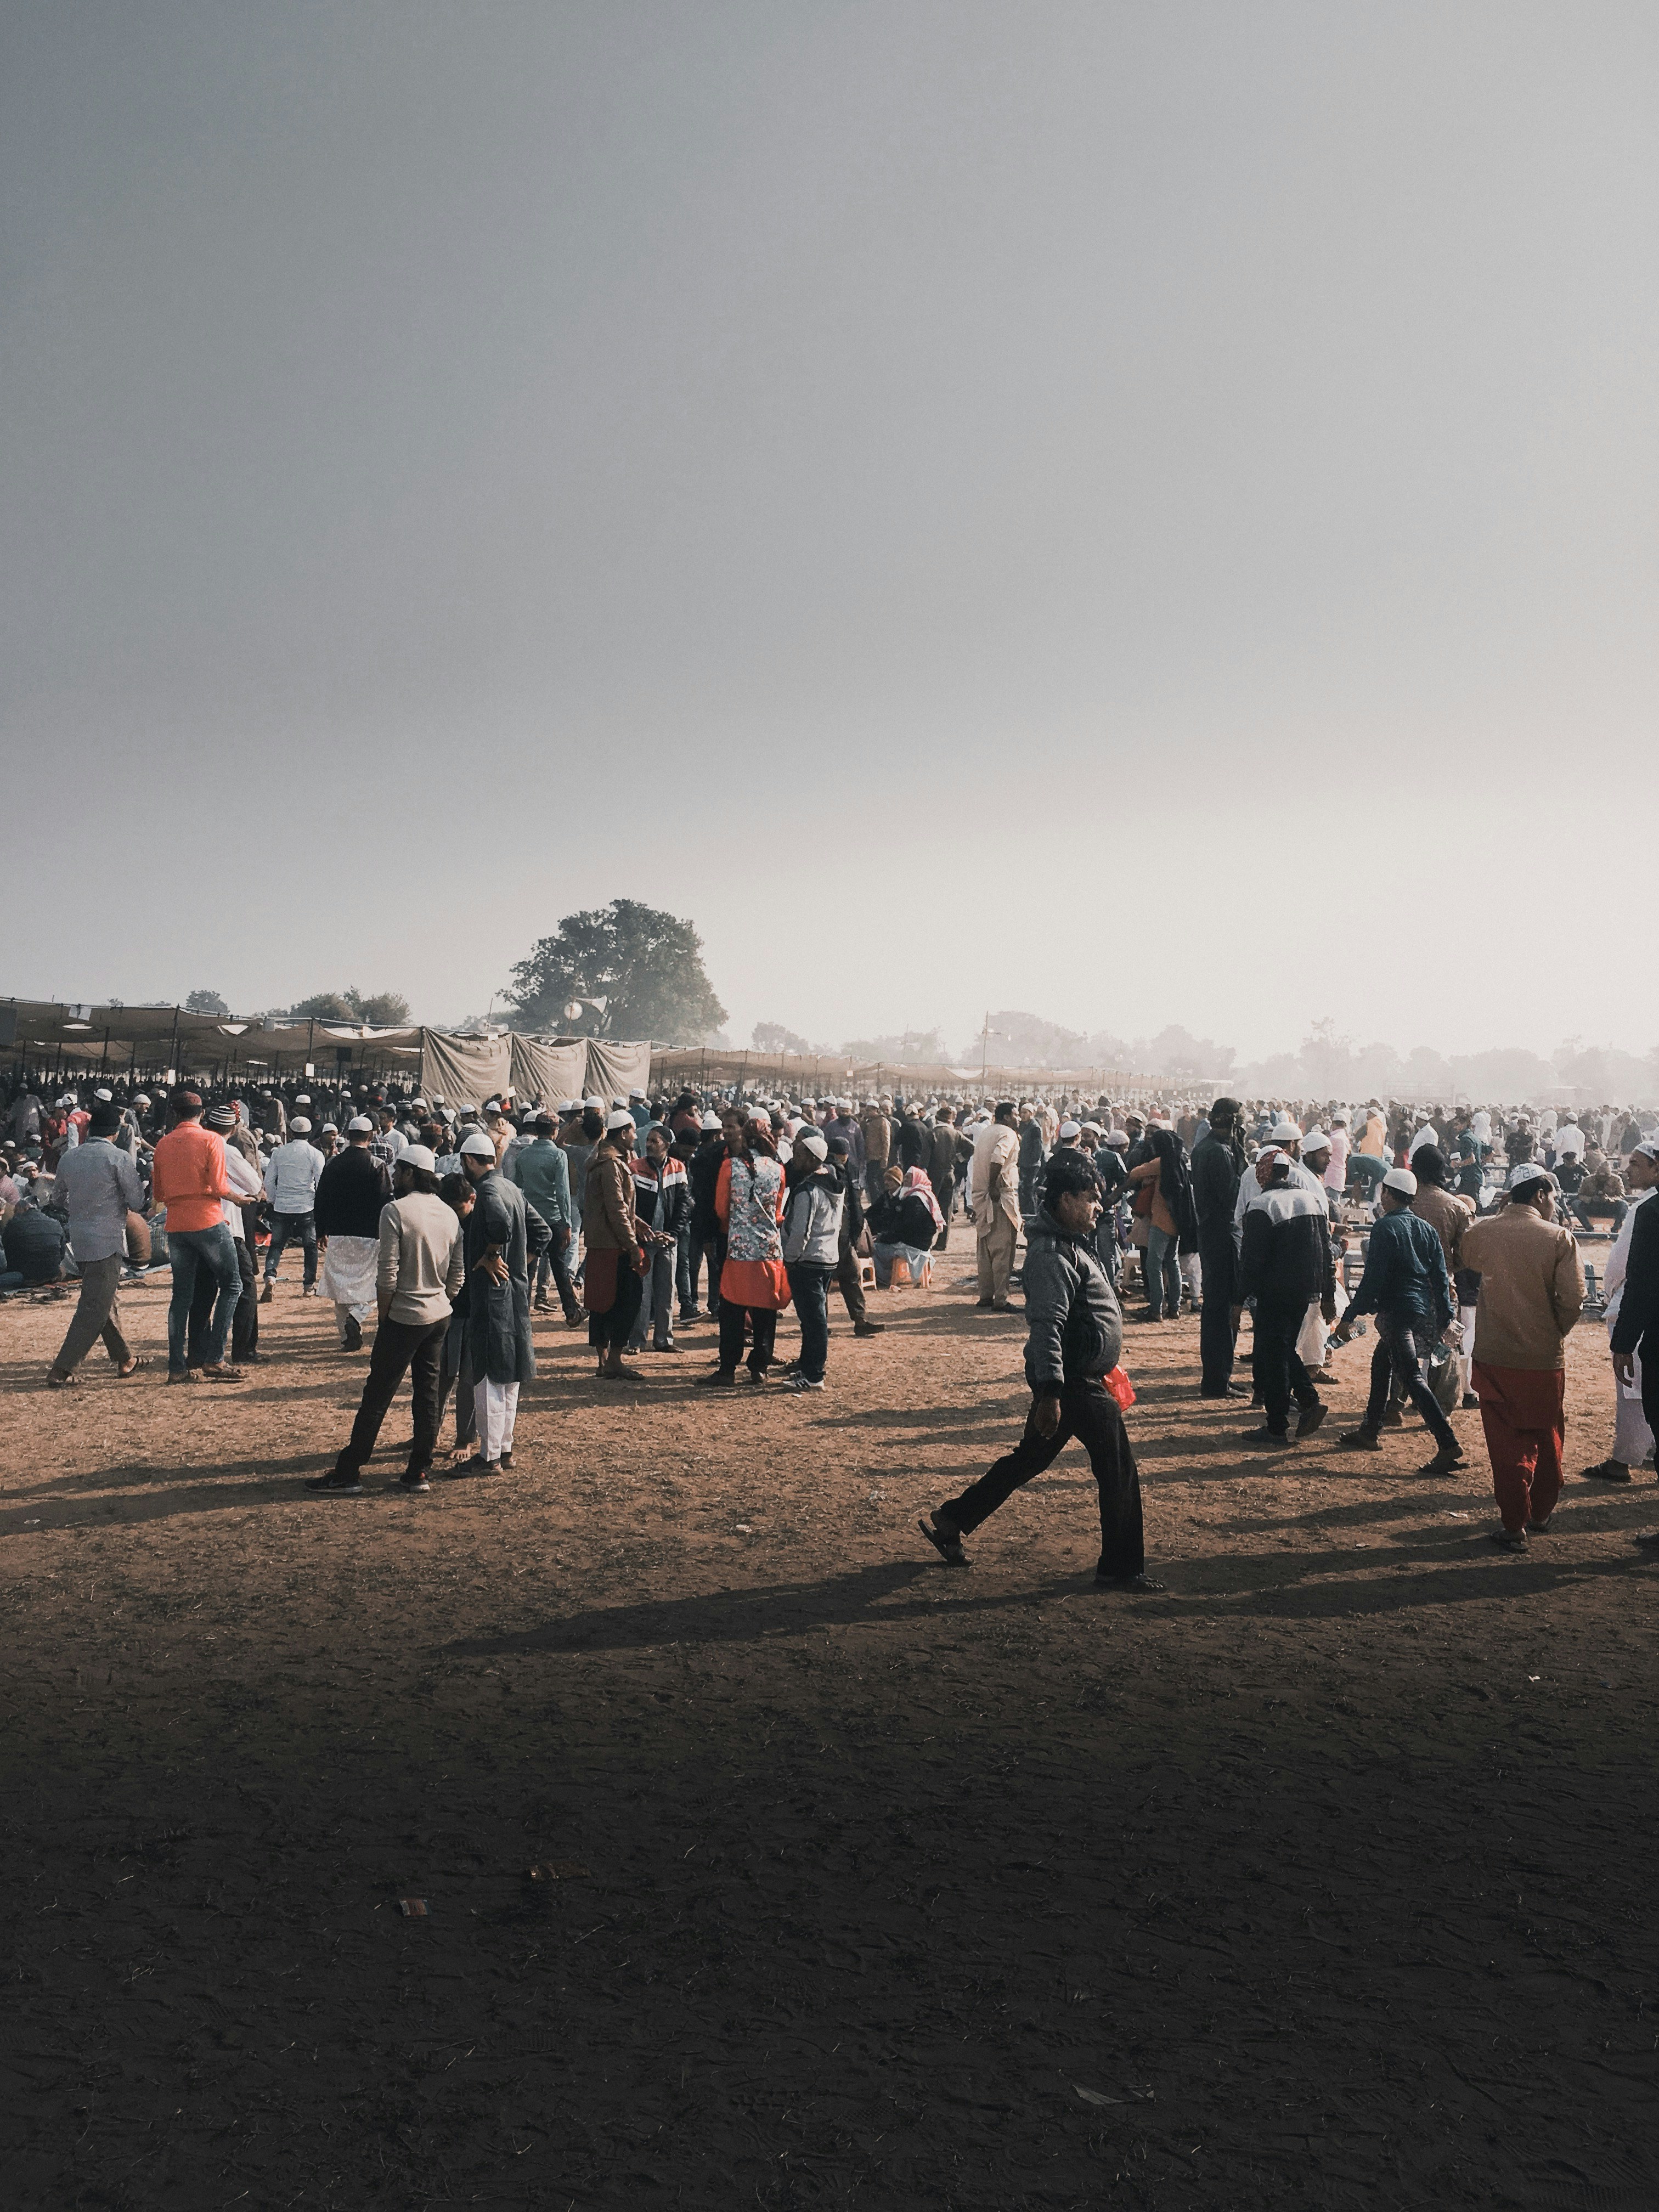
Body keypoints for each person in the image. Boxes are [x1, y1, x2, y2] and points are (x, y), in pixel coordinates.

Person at [917, 1147, 1161, 1591]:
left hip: (1074, 1379)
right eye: (1090, 1198)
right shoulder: (1051, 1255)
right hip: (1072, 1384)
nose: (1098, 1207)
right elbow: (1047, 1327)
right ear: (1065, 1201)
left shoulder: (1068, 1244)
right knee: (1118, 1469)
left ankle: (953, 1518)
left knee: (1029, 1459)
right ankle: (1121, 1568)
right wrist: (1051, 1393)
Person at [307, 1146, 465, 1496]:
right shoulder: (448, 1213)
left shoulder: (395, 1211)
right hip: (438, 1314)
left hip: (404, 1315)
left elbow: (388, 1275)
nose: (393, 1176)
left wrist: (385, 1315)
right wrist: (440, 1299)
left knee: (377, 1395)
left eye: (399, 1171)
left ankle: (349, 1471)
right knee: (427, 1394)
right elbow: (457, 1275)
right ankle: (419, 1471)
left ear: (411, 1173)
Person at [1459, 1165, 1585, 1550]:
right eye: (1552, 1197)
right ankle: (1541, 1511)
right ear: (1540, 1195)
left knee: (1505, 1443)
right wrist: (1554, 1330)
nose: (1555, 1205)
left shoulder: (1482, 1232)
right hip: (1543, 1359)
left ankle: (1514, 1523)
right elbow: (1574, 1299)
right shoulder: (1559, 1238)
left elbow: (1464, 1257)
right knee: (1547, 1435)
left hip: (1493, 1355)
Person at [1330, 1166, 1464, 1473]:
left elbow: (1373, 1279)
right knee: (1382, 1363)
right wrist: (1446, 1316)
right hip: (1420, 1310)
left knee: (1411, 1376)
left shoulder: (1385, 1227)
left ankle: (1447, 1443)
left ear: (1389, 1194)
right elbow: (1440, 1278)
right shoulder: (1426, 1230)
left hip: (1396, 1313)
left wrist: (1350, 1316)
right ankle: (1369, 1430)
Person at [44, 1101, 146, 1385]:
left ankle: (125, 1359)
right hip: (108, 1239)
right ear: (116, 1132)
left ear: (89, 1129)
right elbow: (137, 1201)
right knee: (95, 1306)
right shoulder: (119, 1158)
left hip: (79, 1239)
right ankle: (62, 1369)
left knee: (103, 1298)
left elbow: (57, 1199)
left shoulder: (70, 1157)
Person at [1237, 1150, 1334, 1448]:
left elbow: (1251, 1260)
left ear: (1262, 1174)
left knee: (1275, 1354)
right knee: (1282, 1350)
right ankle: (1306, 1401)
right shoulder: (1310, 1200)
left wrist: (1238, 1300)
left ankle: (1279, 1424)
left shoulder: (1262, 1205)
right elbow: (1326, 1252)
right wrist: (1328, 1294)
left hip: (1273, 1292)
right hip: (1304, 1292)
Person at [455, 1127, 540, 1470]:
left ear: (469, 1161)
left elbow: (500, 1225)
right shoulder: (511, 1188)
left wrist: (492, 1254)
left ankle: (488, 1456)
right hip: (515, 1294)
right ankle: (504, 1449)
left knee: (488, 1376)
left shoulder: (488, 1191)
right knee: (508, 1376)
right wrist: (520, 1263)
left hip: (491, 1297)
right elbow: (543, 1232)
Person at [149, 1089, 243, 1383]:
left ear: (174, 1114)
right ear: (202, 1114)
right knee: (232, 1285)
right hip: (208, 1221)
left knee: (181, 1297)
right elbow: (219, 1186)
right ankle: (215, 1358)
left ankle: (177, 1367)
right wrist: (240, 1199)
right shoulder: (211, 1140)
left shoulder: (163, 1144)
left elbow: (158, 1193)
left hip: (177, 1226)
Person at [1585, 1138, 1659, 1486]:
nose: (1627, 1170)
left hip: (1643, 1315)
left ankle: (1625, 1458)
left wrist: (1623, 1334)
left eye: (1636, 1164)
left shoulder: (1647, 1210)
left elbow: (1629, 1271)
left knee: (1634, 1390)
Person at [700, 1112, 789, 1387]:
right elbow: (778, 1211)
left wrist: (738, 1224)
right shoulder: (778, 1169)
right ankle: (759, 1367)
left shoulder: (730, 1167)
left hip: (738, 1249)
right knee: (765, 1310)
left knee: (732, 1310)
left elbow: (721, 1209)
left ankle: (728, 1368)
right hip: (769, 1250)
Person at [314, 1116, 391, 1352]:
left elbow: (321, 1199)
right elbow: (386, 1202)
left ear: (347, 1135)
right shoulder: (377, 1165)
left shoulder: (332, 1164)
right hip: (370, 1235)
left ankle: (347, 1338)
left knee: (341, 1287)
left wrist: (320, 1230)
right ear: (371, 1137)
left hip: (337, 1234)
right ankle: (357, 1316)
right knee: (373, 1284)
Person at [584, 1110, 648, 1380]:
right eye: (632, 1132)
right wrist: (633, 1247)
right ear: (622, 1133)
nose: (635, 1137)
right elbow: (617, 1209)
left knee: (602, 1302)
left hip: (601, 1243)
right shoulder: (612, 1164)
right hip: (615, 1245)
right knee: (628, 1300)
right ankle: (615, 1360)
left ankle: (603, 1360)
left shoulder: (602, 1159)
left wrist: (638, 1223)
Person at [1190, 1097, 1248, 1398]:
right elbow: (1233, 1195)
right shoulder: (1219, 1152)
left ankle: (1219, 1376)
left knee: (1217, 1308)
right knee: (1222, 1310)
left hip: (1213, 1234)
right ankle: (1217, 1380)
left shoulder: (1206, 1148)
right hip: (1223, 1234)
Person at [782, 1128, 844, 1393]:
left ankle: (814, 1374)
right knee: (812, 1319)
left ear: (811, 1158)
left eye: (799, 1155)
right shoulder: (834, 1183)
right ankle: (808, 1367)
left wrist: (791, 1258)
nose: (794, 1159)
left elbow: (801, 1231)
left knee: (814, 1321)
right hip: (827, 1257)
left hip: (807, 1261)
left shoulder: (808, 1190)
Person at [509, 1113, 581, 1325]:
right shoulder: (558, 1155)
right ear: (555, 1131)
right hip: (553, 1218)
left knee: (528, 1266)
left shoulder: (524, 1155)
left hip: (531, 1218)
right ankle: (571, 1312)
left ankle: (520, 1312)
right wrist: (567, 1223)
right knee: (559, 1266)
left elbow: (518, 1186)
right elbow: (563, 1193)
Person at [627, 1124, 689, 1353]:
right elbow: (630, 1206)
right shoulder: (635, 1168)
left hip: (668, 1242)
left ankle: (664, 1340)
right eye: (649, 1140)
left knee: (666, 1292)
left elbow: (684, 1204)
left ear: (667, 1145)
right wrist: (643, 1232)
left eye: (655, 1141)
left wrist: (673, 1234)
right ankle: (637, 1341)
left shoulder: (678, 1168)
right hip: (644, 1241)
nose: (649, 1144)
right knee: (642, 1293)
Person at [1127, 1125, 1197, 1323]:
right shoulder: (1179, 1162)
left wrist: (1149, 1176)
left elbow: (1135, 1173)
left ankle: (1156, 1309)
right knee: (1172, 1263)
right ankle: (1174, 1307)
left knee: (1153, 1265)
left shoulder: (1160, 1163)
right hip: (1176, 1221)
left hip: (1160, 1220)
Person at [261, 1116, 324, 1299]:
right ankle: (308, 1286)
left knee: (277, 1245)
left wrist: (273, 1200)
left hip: (282, 1206)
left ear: (291, 1132)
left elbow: (269, 1181)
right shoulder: (315, 1154)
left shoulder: (279, 1153)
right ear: (310, 1133)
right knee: (310, 1247)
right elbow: (320, 1181)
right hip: (306, 1206)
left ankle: (270, 1277)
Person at [970, 1103, 1021, 1311]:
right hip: (998, 1197)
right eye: (1016, 1115)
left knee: (985, 1249)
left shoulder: (987, 1133)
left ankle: (986, 1295)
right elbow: (998, 1158)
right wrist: (993, 1186)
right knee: (1002, 1250)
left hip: (981, 1197)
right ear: (1007, 1117)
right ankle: (1001, 1299)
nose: (1019, 1118)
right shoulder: (1008, 1134)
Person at [868, 1165, 943, 1288]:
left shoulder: (914, 1200)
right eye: (906, 1178)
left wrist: (883, 1237)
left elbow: (904, 1230)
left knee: (874, 1248)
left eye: (909, 1178)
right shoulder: (924, 1197)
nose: (906, 1180)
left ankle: (884, 1279)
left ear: (916, 1179)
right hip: (921, 1244)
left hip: (911, 1246)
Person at [1572, 1153, 1628, 1237]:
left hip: (1609, 1207)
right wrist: (1591, 1199)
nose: (1602, 1178)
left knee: (1624, 1205)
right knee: (1576, 1204)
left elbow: (1622, 1196)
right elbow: (1580, 1195)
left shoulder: (1617, 1180)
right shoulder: (1588, 1180)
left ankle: (1616, 1228)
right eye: (1600, 1176)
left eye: (1605, 1176)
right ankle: (1589, 1228)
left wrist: (1610, 1199)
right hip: (1592, 1206)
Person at [928, 1108, 961, 1248]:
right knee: (946, 1208)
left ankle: (927, 1239)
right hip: (950, 1174)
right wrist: (958, 1159)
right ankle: (942, 1243)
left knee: (930, 1207)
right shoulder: (955, 1134)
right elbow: (971, 1148)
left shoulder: (932, 1133)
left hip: (934, 1175)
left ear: (937, 1119)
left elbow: (925, 1158)